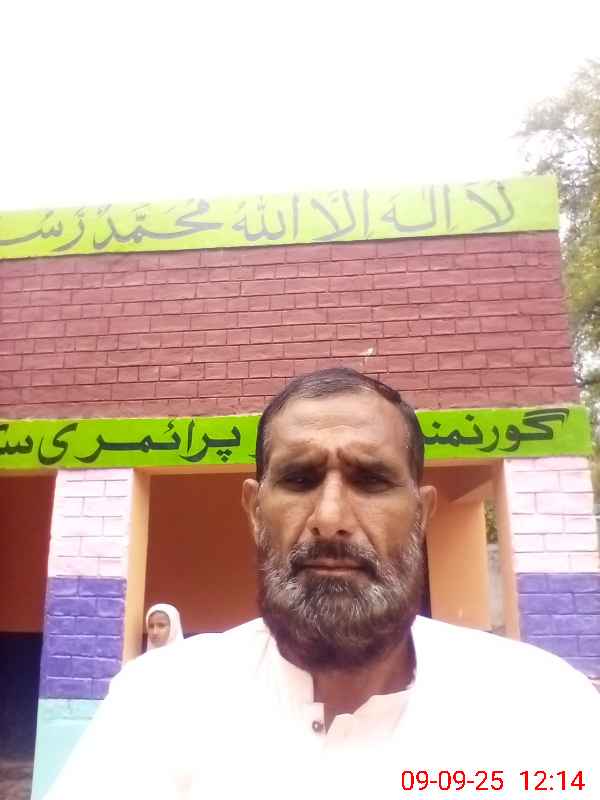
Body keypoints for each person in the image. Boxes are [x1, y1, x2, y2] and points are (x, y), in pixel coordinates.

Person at [45, 368, 600, 799]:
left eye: (372, 480)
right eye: (299, 479)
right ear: (255, 511)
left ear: (422, 513)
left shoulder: (543, 709)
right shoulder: (158, 702)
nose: (330, 517)